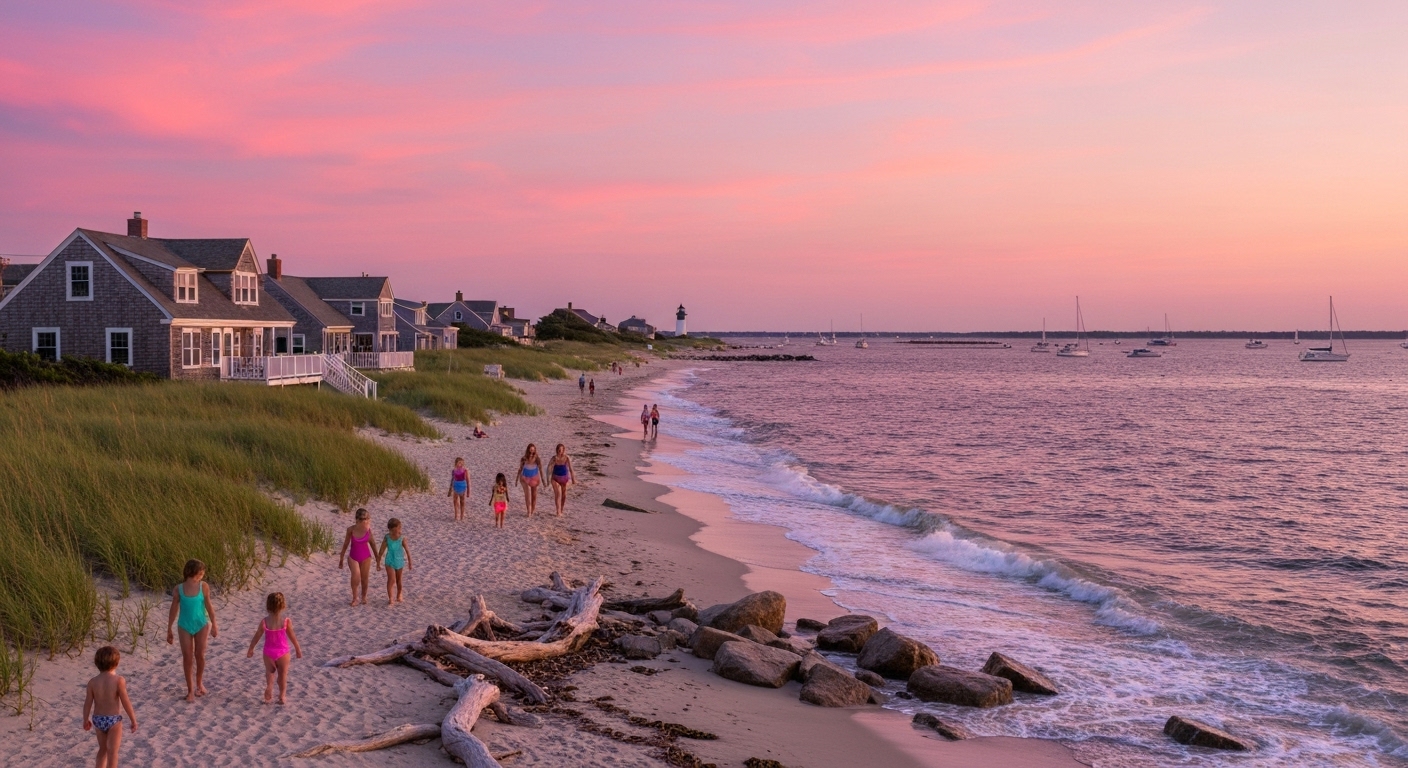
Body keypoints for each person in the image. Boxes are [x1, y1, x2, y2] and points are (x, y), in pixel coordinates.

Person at [166, 558, 218, 702]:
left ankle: (199, 684)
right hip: (184, 625)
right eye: (201, 572)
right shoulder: (178, 589)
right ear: (194, 572)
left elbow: (209, 606)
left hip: (201, 624)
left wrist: (214, 624)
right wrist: (169, 628)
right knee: (187, 657)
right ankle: (190, 690)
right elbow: (173, 610)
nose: (203, 574)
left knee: (199, 654)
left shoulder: (203, 586)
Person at [84, 646, 137, 768]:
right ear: (116, 663)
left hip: (98, 720)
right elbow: (125, 701)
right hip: (113, 720)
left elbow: (88, 703)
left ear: (97, 663)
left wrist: (85, 719)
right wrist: (133, 720)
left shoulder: (92, 682)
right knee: (112, 752)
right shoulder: (118, 680)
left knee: (102, 750)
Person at [245, 592, 302, 705]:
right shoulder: (285, 621)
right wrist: (297, 649)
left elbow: (257, 635)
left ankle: (270, 686)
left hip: (268, 652)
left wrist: (251, 648)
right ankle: (282, 696)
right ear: (283, 606)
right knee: (282, 675)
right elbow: (292, 636)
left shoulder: (265, 621)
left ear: (268, 606)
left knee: (269, 672)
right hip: (283, 652)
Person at [339, 509, 375, 606]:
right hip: (353, 556)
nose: (365, 520)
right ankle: (355, 598)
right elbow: (345, 544)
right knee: (356, 575)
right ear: (357, 520)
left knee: (364, 578)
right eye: (363, 519)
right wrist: (341, 558)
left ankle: (364, 597)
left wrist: (378, 558)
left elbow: (372, 543)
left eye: (367, 518)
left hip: (366, 556)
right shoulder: (350, 530)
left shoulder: (368, 530)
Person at [377, 518, 412, 604]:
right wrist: (378, 563)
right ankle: (391, 598)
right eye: (392, 530)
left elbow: (407, 550)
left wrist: (410, 562)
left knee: (398, 580)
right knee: (391, 579)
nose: (395, 531)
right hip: (389, 560)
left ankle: (399, 594)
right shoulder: (387, 537)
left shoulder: (402, 538)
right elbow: (381, 550)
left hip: (399, 560)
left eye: (398, 528)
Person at [548, 443, 575, 517]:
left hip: (564, 479)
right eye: (558, 450)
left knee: (564, 495)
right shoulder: (554, 458)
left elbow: (571, 469)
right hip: (555, 478)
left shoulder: (566, 458)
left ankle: (561, 510)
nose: (559, 451)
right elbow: (549, 468)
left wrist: (573, 479)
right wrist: (548, 478)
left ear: (563, 450)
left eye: (561, 450)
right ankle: (558, 511)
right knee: (558, 494)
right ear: (556, 450)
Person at [517, 444, 544, 517]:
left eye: (533, 450)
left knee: (534, 494)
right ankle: (528, 511)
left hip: (534, 477)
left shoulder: (537, 459)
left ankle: (532, 510)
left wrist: (543, 480)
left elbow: (540, 469)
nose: (532, 451)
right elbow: (520, 469)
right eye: (531, 450)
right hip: (525, 477)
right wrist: (516, 479)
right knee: (527, 494)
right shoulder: (524, 459)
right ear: (528, 450)